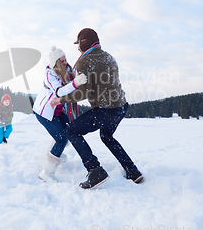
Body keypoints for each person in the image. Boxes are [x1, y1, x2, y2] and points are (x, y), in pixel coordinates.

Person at [50, 28, 143, 189]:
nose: (77, 48)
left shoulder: (84, 61)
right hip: (121, 108)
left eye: (78, 44)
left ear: (83, 43)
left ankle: (94, 170)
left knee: (71, 131)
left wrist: (61, 100)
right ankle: (133, 171)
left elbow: (83, 92)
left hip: (106, 110)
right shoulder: (109, 57)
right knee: (107, 136)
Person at [33, 46, 87, 181]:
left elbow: (71, 83)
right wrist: (75, 83)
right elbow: (59, 92)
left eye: (65, 60)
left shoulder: (65, 72)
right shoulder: (50, 75)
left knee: (69, 131)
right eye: (61, 61)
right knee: (61, 139)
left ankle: (52, 154)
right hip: (45, 112)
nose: (65, 63)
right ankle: (47, 173)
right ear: (55, 63)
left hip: (56, 111)